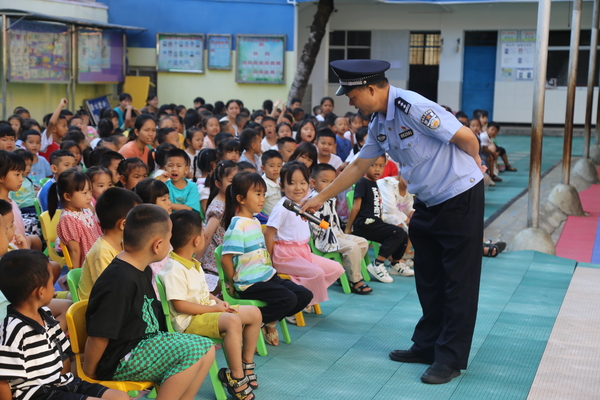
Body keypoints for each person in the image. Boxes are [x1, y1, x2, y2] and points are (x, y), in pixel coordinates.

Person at [303, 59, 486, 384]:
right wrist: (320, 197)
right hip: (428, 202)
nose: (350, 101)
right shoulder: (378, 124)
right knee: (428, 277)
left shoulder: (413, 107)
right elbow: (359, 167)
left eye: (353, 94)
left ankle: (450, 358)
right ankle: (427, 345)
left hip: (460, 196)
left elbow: (466, 137)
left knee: (458, 280)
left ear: (371, 89)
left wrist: (475, 163)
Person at [85, 205, 215, 400]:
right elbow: (99, 335)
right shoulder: (119, 280)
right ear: (157, 245)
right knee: (194, 351)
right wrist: (89, 373)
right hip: (122, 359)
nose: (171, 245)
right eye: (170, 240)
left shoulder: (141, 269)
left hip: (143, 346)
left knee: (207, 348)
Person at [159, 210, 262, 400]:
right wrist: (213, 308)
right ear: (196, 241)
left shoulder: (192, 262)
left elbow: (202, 293)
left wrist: (218, 302)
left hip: (207, 312)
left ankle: (246, 365)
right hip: (188, 322)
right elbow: (180, 305)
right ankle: (235, 377)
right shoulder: (173, 268)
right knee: (232, 321)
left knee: (254, 313)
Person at [0, 250, 129, 400]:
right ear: (40, 292)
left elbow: (65, 356)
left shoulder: (46, 315)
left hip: (62, 383)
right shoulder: (12, 330)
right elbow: (2, 379)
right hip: (37, 394)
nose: (54, 286)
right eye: (51, 282)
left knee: (121, 397)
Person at [221, 171, 313, 346]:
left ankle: (268, 321)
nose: (262, 199)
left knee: (304, 295)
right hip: (250, 282)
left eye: (263, 194)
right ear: (241, 199)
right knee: (288, 298)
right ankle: (252, 324)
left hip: (267, 276)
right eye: (257, 194)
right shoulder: (237, 225)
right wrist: (233, 284)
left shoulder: (255, 221)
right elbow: (226, 259)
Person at [264, 161, 344, 307]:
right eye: (292, 183)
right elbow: (268, 234)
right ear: (282, 186)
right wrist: (270, 261)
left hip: (303, 252)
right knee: (317, 273)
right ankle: (297, 304)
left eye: (302, 182)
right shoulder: (282, 207)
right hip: (285, 255)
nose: (298, 187)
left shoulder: (304, 203)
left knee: (336, 268)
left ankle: (303, 297)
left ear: (309, 184)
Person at [345, 154, 412, 281]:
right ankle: (377, 264)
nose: (377, 169)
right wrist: (349, 228)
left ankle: (395, 264)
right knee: (397, 232)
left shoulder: (376, 184)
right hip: (364, 224)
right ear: (365, 166)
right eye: (373, 165)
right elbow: (356, 207)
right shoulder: (362, 183)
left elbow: (378, 207)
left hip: (375, 223)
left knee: (403, 233)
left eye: (381, 166)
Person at [309, 163, 371, 294]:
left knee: (362, 243)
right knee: (352, 247)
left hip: (337, 234)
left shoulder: (330, 197)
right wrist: (328, 227)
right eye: (325, 181)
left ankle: (343, 271)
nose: (330, 186)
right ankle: (355, 280)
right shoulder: (313, 201)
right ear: (313, 183)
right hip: (325, 238)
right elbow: (314, 224)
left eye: (333, 182)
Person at [78, 188, 141, 301]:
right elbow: (109, 292)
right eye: (138, 218)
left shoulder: (122, 244)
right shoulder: (102, 252)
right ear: (124, 224)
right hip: (94, 308)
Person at [199, 161, 238, 294]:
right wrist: (195, 262)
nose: (235, 185)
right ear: (218, 184)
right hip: (216, 262)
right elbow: (207, 235)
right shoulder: (218, 207)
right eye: (231, 181)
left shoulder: (229, 202)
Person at [51, 169, 102, 269]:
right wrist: (76, 275)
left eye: (90, 192)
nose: (89, 197)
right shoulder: (68, 220)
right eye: (84, 193)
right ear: (68, 196)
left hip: (99, 255)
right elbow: (75, 251)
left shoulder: (86, 209)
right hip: (90, 264)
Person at [164, 148, 200, 213]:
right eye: (170, 165)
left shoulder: (192, 187)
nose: (174, 169)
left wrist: (167, 204)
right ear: (165, 168)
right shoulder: (164, 185)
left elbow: (188, 208)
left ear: (186, 169)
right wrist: (160, 183)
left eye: (179, 166)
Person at [261, 150, 283, 217]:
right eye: (272, 166)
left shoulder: (280, 180)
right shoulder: (262, 185)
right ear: (263, 168)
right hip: (269, 220)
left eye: (279, 166)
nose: (276, 169)